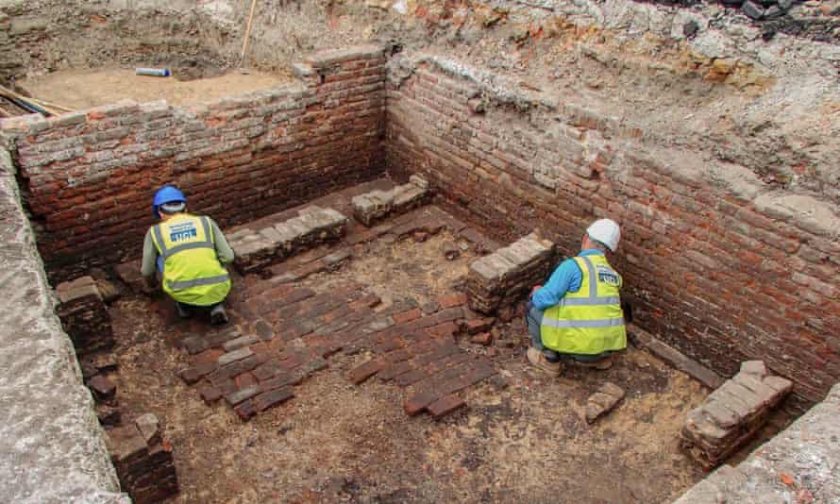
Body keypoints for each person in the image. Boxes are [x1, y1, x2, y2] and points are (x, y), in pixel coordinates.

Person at [525, 218, 627, 375]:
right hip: (607, 348)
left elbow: (544, 300)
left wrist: (538, 291)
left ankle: (549, 360)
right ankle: (601, 360)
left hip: (581, 351)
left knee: (532, 306)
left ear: (585, 238)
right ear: (609, 250)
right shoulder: (614, 275)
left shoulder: (573, 266)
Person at [140, 185, 234, 325]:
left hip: (180, 290)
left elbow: (147, 270)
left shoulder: (155, 232)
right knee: (207, 247)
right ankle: (216, 307)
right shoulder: (206, 222)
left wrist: (152, 284)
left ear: (160, 212)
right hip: (219, 286)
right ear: (185, 208)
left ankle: (185, 307)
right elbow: (229, 256)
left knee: (161, 257)